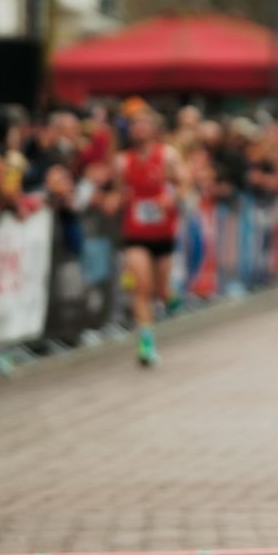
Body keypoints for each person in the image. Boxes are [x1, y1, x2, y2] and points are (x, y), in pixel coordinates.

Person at [118, 110, 182, 367]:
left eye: (145, 124)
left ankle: (170, 296)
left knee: (161, 292)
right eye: (135, 124)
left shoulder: (168, 155)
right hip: (135, 233)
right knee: (141, 287)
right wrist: (115, 199)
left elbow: (185, 181)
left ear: (155, 129)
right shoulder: (122, 161)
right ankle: (146, 342)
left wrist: (172, 197)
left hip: (163, 232)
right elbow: (118, 191)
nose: (139, 129)